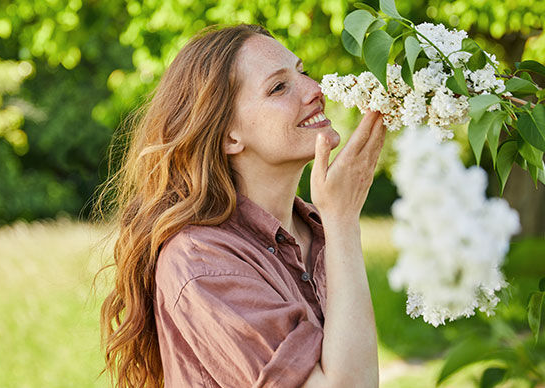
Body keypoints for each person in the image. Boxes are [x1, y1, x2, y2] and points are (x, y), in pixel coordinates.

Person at [99, 24, 385, 388]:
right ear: (229, 136)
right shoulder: (202, 263)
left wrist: (337, 222)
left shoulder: (315, 230)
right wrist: (344, 219)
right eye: (279, 87)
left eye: (303, 72)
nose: (315, 90)